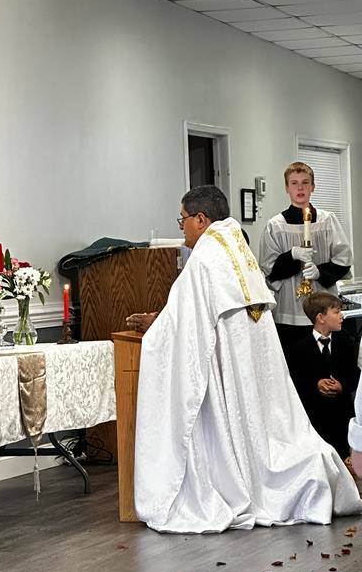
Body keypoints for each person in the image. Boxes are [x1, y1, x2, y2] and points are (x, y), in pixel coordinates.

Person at [134, 184, 361, 533]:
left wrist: (155, 327)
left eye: (183, 220)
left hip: (226, 366)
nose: (181, 228)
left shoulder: (206, 257)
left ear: (201, 218)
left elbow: (185, 326)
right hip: (254, 366)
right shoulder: (237, 250)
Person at [259, 161, 352, 351]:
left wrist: (320, 272)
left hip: (324, 311)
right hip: (289, 312)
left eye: (305, 182)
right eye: (294, 183)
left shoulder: (327, 220)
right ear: (287, 188)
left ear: (313, 187)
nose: (300, 187)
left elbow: (343, 260)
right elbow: (269, 269)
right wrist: (292, 255)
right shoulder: (276, 225)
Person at [288, 293, 359, 460]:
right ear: (321, 318)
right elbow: (294, 381)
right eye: (336, 312)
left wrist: (342, 385)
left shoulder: (347, 342)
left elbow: (355, 375)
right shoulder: (298, 348)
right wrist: (316, 384)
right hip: (315, 419)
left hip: (343, 417)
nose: (342, 316)